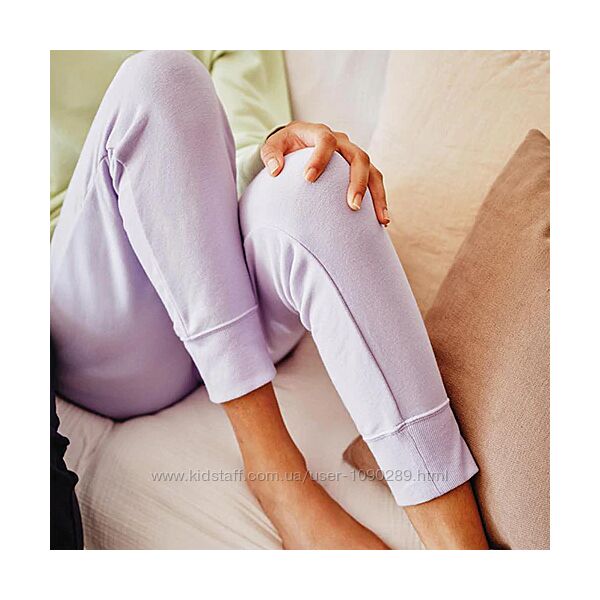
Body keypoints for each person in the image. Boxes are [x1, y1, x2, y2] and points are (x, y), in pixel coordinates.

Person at [50, 50, 488, 549]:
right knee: (158, 77)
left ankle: (462, 553)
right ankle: (274, 472)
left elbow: (248, 147)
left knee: (319, 176)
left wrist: (285, 147)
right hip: (106, 316)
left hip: (230, 285)